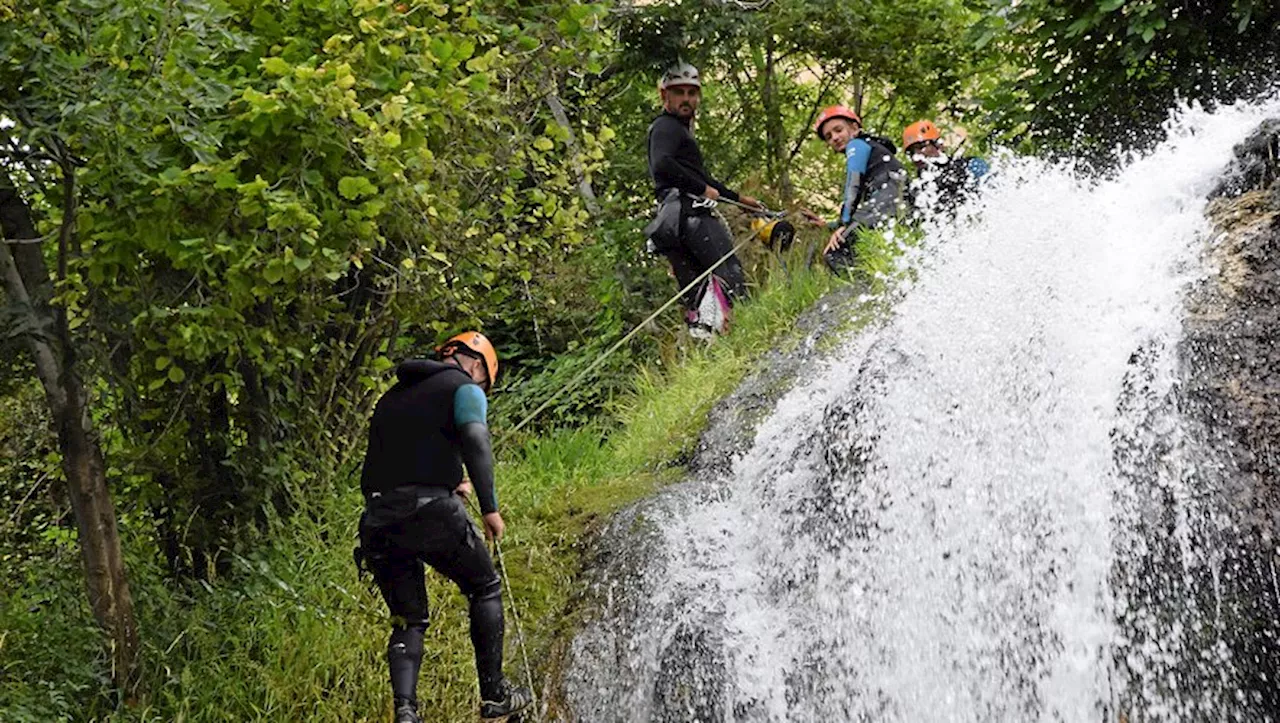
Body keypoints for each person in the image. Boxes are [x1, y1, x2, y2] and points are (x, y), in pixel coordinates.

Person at [356, 331, 531, 723]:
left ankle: (405, 712)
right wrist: (490, 508)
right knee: (484, 588)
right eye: (485, 380)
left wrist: (449, 477)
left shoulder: (392, 398)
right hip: (429, 512)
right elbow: (475, 438)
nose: (482, 387)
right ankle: (495, 696)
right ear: (476, 362)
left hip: (378, 520)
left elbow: (406, 455)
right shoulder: (465, 388)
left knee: (409, 618)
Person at [645, 61, 763, 332]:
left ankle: (709, 340)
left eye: (691, 93)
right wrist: (700, 189)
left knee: (696, 289)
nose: (686, 99)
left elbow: (701, 177)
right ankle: (745, 331)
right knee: (728, 270)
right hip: (690, 212)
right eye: (679, 93)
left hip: (674, 220)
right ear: (665, 96)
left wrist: (737, 198)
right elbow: (662, 164)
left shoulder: (676, 130)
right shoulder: (666, 126)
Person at [801, 105, 907, 274]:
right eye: (829, 136)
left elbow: (853, 186)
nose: (834, 138)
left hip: (888, 197)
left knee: (835, 252)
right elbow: (865, 209)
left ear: (854, 128)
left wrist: (844, 225)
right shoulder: (872, 147)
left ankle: (862, 294)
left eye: (838, 130)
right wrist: (828, 225)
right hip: (897, 200)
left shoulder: (856, 145)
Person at [901, 119, 990, 217]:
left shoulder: (970, 165)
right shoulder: (917, 190)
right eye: (912, 152)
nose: (916, 156)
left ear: (938, 145)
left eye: (921, 147)